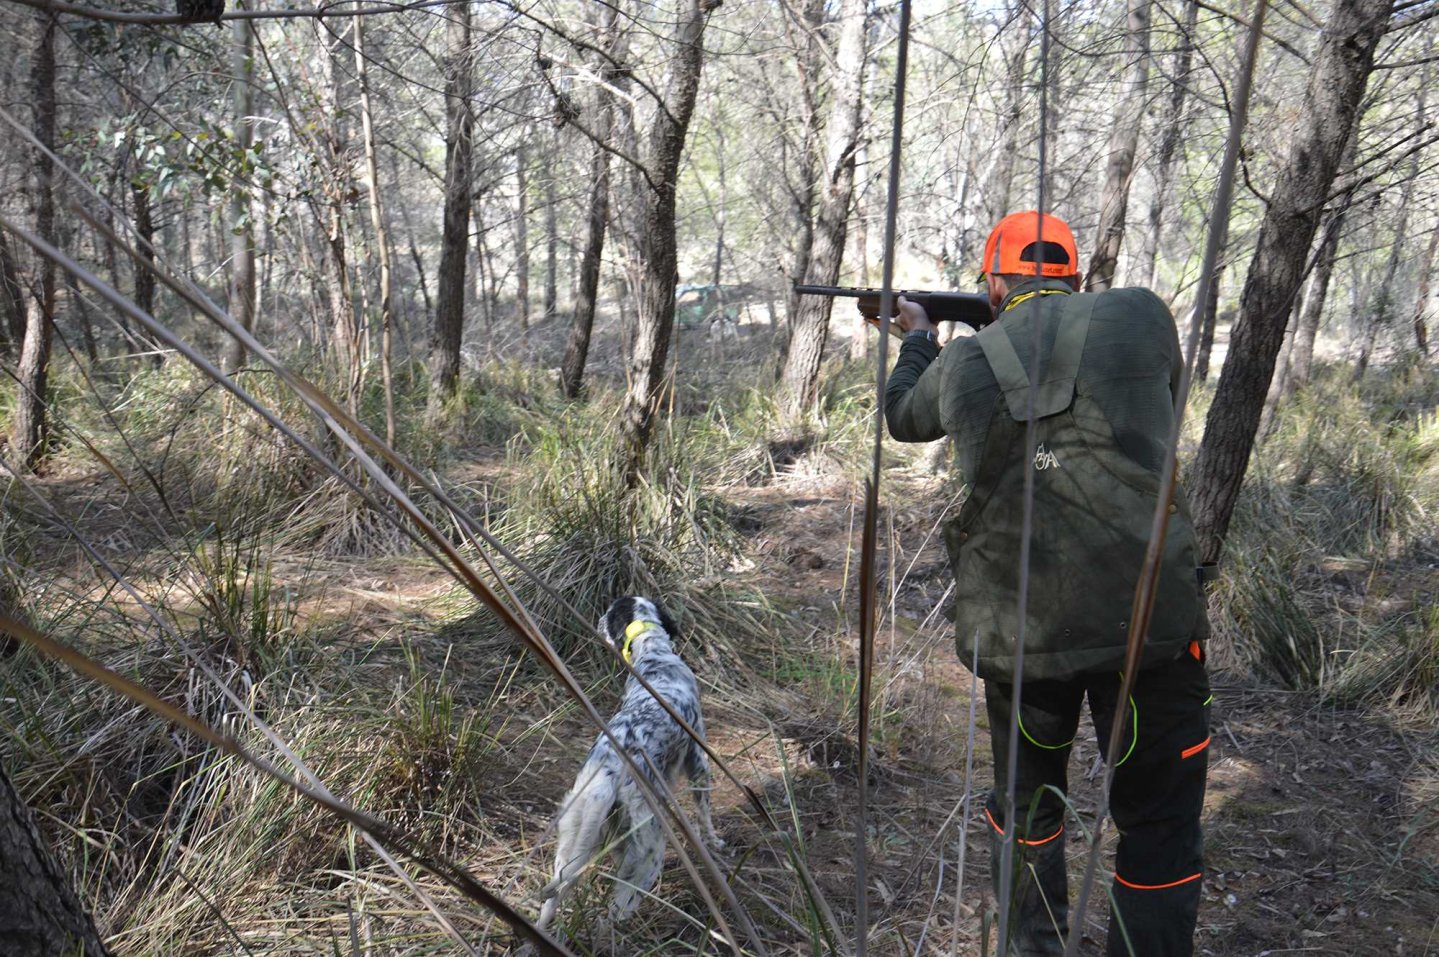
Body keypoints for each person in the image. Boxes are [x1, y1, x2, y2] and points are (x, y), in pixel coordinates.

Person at [884, 211, 1212, 957]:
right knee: (1158, 822)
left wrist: (915, 334)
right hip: (1151, 626)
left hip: (1021, 633)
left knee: (1028, 809)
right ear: (1070, 273)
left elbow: (903, 417)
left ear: (995, 283)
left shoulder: (965, 362)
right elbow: (1154, 388)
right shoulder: (1141, 314)